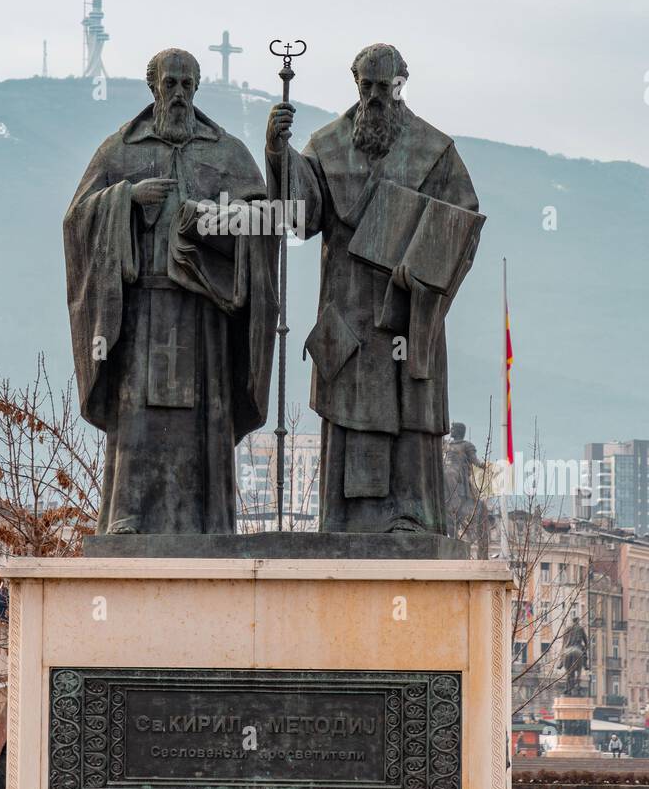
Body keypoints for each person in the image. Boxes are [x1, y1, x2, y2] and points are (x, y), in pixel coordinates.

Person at [266, 43, 480, 533]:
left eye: (386, 87)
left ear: (402, 85)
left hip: (406, 315)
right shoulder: (326, 145)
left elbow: (462, 225)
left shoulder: (435, 151)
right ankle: (345, 522)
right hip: (349, 317)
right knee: (351, 417)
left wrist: (418, 269)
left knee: (407, 420)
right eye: (368, 87)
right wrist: (279, 155)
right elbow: (300, 217)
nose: (377, 97)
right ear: (355, 84)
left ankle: (411, 517)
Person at [64, 48, 278, 534]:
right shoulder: (120, 149)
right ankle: (129, 518)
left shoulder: (226, 152)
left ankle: (209, 522)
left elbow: (266, 221)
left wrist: (212, 217)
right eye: (170, 84)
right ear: (153, 88)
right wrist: (126, 200)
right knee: (139, 417)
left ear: (197, 89)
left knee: (205, 422)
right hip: (141, 310)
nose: (178, 94)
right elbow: (76, 221)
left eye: (186, 85)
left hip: (205, 315)